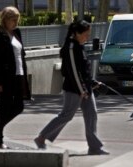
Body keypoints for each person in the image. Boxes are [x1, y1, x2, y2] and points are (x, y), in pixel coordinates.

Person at [34, 20, 109, 155]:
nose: (87, 37)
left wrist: (92, 83)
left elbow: (83, 70)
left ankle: (94, 147)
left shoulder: (79, 46)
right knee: (66, 115)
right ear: (76, 33)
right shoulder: (71, 47)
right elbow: (74, 71)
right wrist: (82, 90)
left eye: (88, 34)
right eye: (85, 34)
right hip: (74, 89)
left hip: (85, 88)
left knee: (92, 115)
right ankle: (41, 137)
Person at [0, 6, 31, 149]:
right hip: (5, 78)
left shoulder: (16, 33)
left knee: (19, 106)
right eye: (13, 19)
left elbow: (20, 55)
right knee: (4, 108)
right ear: (5, 20)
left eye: (17, 19)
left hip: (19, 75)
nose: (16, 22)